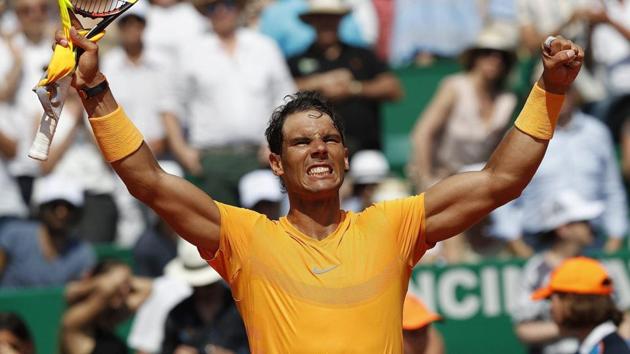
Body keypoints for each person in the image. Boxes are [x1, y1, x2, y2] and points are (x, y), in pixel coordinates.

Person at [57, 20, 584, 352]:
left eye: (330, 138)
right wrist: (96, 90)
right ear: (275, 164)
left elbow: (500, 182)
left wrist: (549, 90)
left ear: (346, 157)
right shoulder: (244, 237)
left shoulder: (393, 225)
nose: (318, 148)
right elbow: (148, 181)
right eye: (302, 141)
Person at [162, 0, 296, 206]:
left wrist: (276, 143)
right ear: (206, 13)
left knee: (264, 231)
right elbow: (170, 105)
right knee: (216, 233)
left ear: (239, 9)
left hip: (259, 157)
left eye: (229, 4)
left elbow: (286, 98)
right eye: (213, 7)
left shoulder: (264, 47)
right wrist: (182, 151)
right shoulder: (191, 51)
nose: (222, 11)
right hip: (211, 160)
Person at [490, 89, 628, 256]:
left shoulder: (597, 133)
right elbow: (502, 190)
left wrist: (615, 238)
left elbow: (612, 189)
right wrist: (516, 243)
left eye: (565, 90)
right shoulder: (520, 136)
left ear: (575, 94)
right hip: (536, 242)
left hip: (591, 240)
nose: (559, 97)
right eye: (550, 90)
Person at [408, 21, 517, 191]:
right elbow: (422, 134)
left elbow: (500, 152)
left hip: (480, 187)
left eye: (501, 55)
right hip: (443, 179)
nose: (495, 59)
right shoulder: (454, 87)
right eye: (487, 52)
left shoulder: (507, 101)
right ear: (475, 57)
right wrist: (426, 179)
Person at [287, 0, 403, 154]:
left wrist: (354, 89)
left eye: (331, 18)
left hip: (365, 147)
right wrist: (320, 83)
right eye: (320, 18)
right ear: (311, 22)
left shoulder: (362, 55)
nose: (326, 23)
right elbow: (283, 89)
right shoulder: (297, 60)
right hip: (316, 150)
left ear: (340, 20)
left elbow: (394, 89)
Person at [512, 190, 604, 354]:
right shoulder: (536, 271)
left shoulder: (597, 266)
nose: (590, 227)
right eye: (583, 221)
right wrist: (574, 329)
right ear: (563, 229)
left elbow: (622, 317)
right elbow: (523, 329)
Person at [0, 174, 95, 288]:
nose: (61, 213)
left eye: (69, 207)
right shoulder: (13, 235)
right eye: (54, 206)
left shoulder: (83, 253)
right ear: (42, 208)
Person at [161, 240, 248, 354]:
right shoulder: (177, 315)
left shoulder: (243, 310)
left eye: (208, 286)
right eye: (197, 286)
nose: (203, 292)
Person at [531, 257, 630, 354]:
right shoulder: (594, 346)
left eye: (551, 299)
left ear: (571, 300)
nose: (550, 308)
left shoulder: (611, 350)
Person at [61, 260, 152, 354]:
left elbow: (148, 288)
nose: (125, 290)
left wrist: (126, 279)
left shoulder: (110, 318)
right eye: (120, 285)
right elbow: (107, 288)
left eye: (127, 284)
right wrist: (87, 287)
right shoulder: (74, 323)